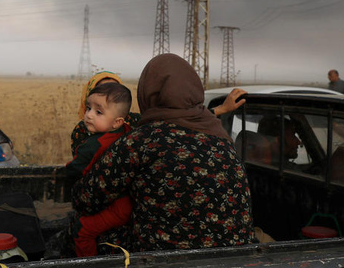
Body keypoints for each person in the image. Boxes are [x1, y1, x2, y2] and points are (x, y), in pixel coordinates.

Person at [73, 54, 255, 253]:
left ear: (148, 92)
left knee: (86, 231)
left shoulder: (141, 140)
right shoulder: (223, 140)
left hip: (163, 264)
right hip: (235, 258)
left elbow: (86, 200)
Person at [70, 71, 247, 157]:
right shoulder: (81, 130)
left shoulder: (132, 121)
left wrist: (221, 110)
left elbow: (177, 120)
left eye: (114, 92)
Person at [65, 82, 134, 257]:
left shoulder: (93, 145)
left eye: (98, 112)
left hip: (118, 207)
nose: (88, 115)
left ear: (117, 121)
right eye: (88, 108)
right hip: (128, 201)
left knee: (82, 230)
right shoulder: (129, 132)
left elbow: (73, 171)